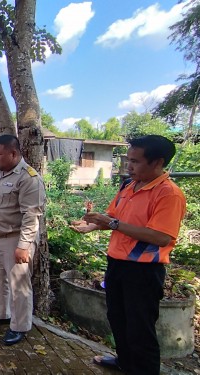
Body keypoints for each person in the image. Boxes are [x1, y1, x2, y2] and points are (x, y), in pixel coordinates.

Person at [71, 135, 186, 375]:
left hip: (143, 271)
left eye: (135, 162)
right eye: (127, 160)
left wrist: (111, 223)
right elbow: (114, 219)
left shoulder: (168, 194)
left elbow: (161, 237)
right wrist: (91, 225)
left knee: (140, 329)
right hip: (117, 264)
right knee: (117, 318)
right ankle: (124, 360)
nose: (128, 166)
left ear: (157, 162)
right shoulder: (128, 186)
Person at [0, 135, 45, 346]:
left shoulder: (29, 178)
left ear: (13, 153)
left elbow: (32, 216)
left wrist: (24, 246)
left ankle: (20, 326)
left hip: (15, 239)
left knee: (18, 285)